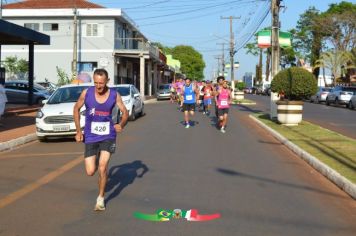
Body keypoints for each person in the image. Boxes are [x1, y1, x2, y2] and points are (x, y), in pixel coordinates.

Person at [73, 68, 129, 211]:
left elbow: (125, 112)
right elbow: (76, 109)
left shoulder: (114, 95)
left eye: (101, 83)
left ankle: (100, 198)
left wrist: (121, 124)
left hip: (108, 135)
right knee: (91, 171)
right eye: (96, 83)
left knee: (103, 167)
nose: (98, 86)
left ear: (107, 81)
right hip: (91, 136)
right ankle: (98, 160)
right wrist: (78, 131)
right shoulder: (86, 93)